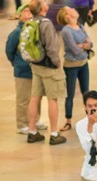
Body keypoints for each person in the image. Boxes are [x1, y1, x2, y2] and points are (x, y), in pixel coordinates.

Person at [25, 0, 67, 146]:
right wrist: (57, 63)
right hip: (49, 66)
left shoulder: (29, 22)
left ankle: (32, 131)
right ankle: (54, 133)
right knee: (52, 99)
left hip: (35, 66)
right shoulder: (46, 23)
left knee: (34, 97)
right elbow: (52, 47)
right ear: (43, 9)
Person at [59, 7, 91, 134]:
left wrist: (82, 46)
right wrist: (84, 46)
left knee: (86, 93)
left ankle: (91, 118)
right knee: (70, 94)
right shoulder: (66, 31)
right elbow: (74, 50)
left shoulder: (80, 25)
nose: (74, 9)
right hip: (71, 66)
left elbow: (90, 44)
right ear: (67, 16)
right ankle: (68, 121)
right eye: (70, 9)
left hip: (83, 64)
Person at [6, 3, 35, 135]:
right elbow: (9, 51)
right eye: (26, 11)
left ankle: (35, 119)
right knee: (23, 99)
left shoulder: (35, 29)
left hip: (34, 69)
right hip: (22, 70)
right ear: (19, 15)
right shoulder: (16, 33)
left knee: (35, 97)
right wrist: (17, 63)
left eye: (31, 12)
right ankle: (22, 124)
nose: (29, 14)